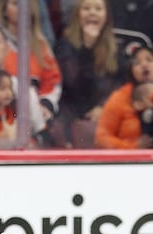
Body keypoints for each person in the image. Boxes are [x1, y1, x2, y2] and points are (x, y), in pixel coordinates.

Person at [53, 0, 124, 147]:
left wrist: (104, 106)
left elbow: (120, 84)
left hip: (106, 114)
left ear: (106, 16)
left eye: (98, 8)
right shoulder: (64, 45)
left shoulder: (115, 49)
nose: (92, 12)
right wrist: (87, 47)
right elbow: (72, 84)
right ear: (77, 15)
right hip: (71, 117)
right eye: (86, 8)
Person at [95, 46, 153, 149]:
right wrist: (134, 146)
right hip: (131, 162)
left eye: (149, 60)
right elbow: (101, 139)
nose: (144, 65)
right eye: (137, 63)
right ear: (131, 70)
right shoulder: (119, 97)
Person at [0, 0, 62, 124]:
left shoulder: (41, 47)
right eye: (15, 4)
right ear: (4, 9)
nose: (21, 9)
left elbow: (52, 83)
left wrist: (45, 105)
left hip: (36, 116)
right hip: (1, 117)